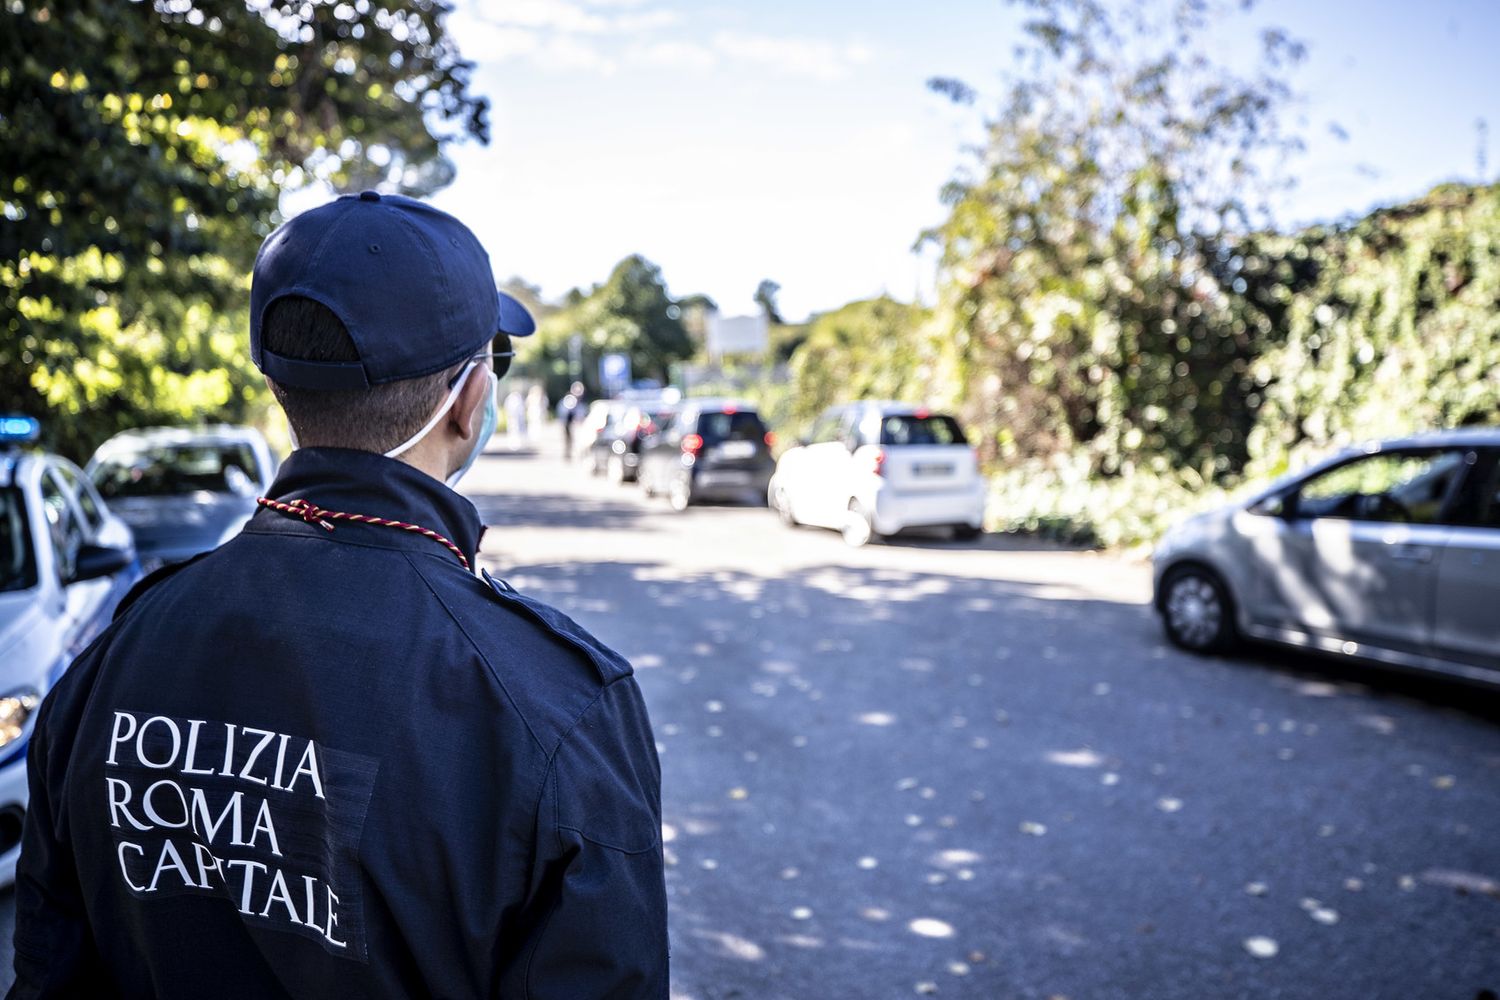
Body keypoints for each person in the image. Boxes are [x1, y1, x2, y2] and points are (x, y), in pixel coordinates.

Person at [9, 192, 668, 999]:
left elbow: (49, 974)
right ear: (468, 400)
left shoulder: (117, 655)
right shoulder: (556, 704)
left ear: (282, 387)